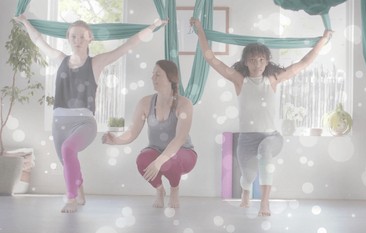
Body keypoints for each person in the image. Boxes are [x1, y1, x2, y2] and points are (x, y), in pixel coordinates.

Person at [15, 14, 168, 213]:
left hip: (84, 122)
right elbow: (38, 41)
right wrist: (26, 22)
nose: (77, 41)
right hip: (59, 121)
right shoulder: (60, 58)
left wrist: (154, 25)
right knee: (67, 161)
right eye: (73, 37)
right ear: (68, 38)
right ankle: (79, 189)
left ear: (90, 38)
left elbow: (128, 45)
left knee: (68, 150)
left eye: (82, 36)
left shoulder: (96, 63)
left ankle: (70, 199)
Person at [190, 18, 332, 216]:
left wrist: (322, 41)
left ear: (266, 62)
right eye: (253, 60)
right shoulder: (239, 80)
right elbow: (210, 58)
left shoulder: (273, 79)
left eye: (261, 60)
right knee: (247, 176)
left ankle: (265, 203)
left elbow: (303, 63)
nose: (257, 63)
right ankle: (246, 191)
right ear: (246, 62)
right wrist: (199, 31)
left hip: (271, 137)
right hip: (247, 139)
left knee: (265, 152)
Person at [102, 60, 197, 209]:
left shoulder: (184, 104)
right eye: (152, 74)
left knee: (170, 159)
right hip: (156, 150)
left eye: (158, 74)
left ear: (171, 78)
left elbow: (180, 139)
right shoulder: (145, 103)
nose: (153, 78)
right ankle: (160, 190)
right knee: (142, 159)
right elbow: (132, 132)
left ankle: (174, 189)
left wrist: (159, 161)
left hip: (184, 153)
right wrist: (116, 140)